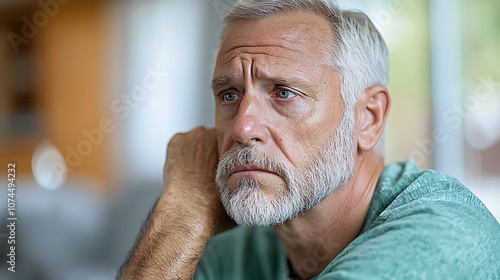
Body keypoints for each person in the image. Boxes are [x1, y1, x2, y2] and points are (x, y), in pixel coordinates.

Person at [118, 0, 500, 279]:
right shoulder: (235, 252)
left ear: (368, 118)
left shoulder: (440, 232)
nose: (242, 128)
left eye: (284, 92)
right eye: (230, 95)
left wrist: (185, 213)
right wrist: (185, 211)